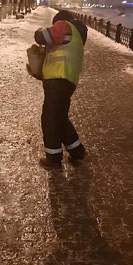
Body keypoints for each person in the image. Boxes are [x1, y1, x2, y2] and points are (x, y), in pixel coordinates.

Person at [34, 10, 88, 167]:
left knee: (50, 118)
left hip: (58, 79)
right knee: (60, 118)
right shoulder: (76, 35)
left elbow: (43, 36)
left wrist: (38, 31)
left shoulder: (64, 25)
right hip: (67, 81)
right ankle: (77, 151)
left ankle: (53, 159)